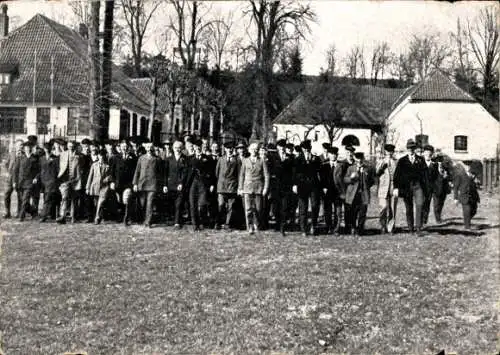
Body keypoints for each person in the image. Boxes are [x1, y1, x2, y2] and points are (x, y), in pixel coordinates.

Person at [393, 139, 427, 236]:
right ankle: (411, 227)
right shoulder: (402, 161)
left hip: (418, 186)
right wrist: (396, 188)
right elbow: (397, 175)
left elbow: (425, 174)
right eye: (409, 148)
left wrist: (426, 188)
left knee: (419, 205)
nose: (411, 150)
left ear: (415, 149)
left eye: (412, 148)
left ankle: (418, 228)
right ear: (407, 149)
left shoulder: (421, 159)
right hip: (406, 187)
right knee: (409, 207)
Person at [238, 142, 270, 234]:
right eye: (252, 149)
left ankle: (257, 224)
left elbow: (266, 175)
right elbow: (242, 175)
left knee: (258, 209)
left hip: (258, 188)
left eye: (256, 149)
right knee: (248, 209)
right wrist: (240, 188)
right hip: (247, 187)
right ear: (249, 150)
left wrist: (265, 188)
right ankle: (250, 226)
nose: (254, 151)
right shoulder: (245, 160)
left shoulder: (262, 161)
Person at [293, 140, 321, 236]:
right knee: (303, 208)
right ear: (302, 149)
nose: (306, 150)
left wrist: (311, 162)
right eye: (305, 149)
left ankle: (313, 226)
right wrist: (295, 185)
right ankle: (303, 229)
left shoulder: (316, 159)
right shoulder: (297, 159)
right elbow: (295, 173)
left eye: (308, 149)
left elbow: (319, 171)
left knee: (315, 206)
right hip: (302, 186)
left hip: (314, 186)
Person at [132, 140, 163, 228]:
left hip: (153, 185)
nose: (149, 149)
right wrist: (135, 183)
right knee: (142, 203)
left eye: (151, 148)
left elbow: (160, 173)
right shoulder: (141, 158)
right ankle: (142, 218)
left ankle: (148, 221)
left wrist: (160, 184)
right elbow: (137, 171)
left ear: (153, 148)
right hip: (142, 184)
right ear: (145, 148)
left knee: (150, 203)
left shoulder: (157, 159)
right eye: (148, 147)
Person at [186, 140, 216, 231]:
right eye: (196, 147)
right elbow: (186, 173)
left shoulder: (208, 158)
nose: (198, 148)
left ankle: (202, 222)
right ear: (194, 148)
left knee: (202, 204)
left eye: (199, 147)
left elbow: (212, 172)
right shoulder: (189, 159)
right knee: (192, 204)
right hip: (193, 183)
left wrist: (211, 184)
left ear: (202, 147)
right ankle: (195, 224)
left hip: (203, 183)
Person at [344, 152, 375, 236]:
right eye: (357, 160)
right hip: (353, 194)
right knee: (353, 212)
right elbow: (345, 180)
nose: (359, 161)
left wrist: (366, 183)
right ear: (355, 159)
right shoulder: (351, 168)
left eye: (361, 159)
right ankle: (353, 227)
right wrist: (351, 178)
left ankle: (360, 229)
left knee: (362, 212)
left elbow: (372, 180)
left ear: (363, 159)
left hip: (363, 194)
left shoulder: (368, 169)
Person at [110, 140, 138, 225]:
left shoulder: (133, 157)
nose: (124, 148)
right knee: (120, 200)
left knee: (127, 199)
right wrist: (112, 182)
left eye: (126, 147)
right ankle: (120, 216)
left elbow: (135, 171)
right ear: (120, 147)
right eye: (123, 146)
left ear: (128, 148)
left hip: (128, 183)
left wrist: (134, 183)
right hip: (118, 183)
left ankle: (126, 218)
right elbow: (112, 171)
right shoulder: (115, 157)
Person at [320, 146, 345, 235]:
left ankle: (336, 229)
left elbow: (344, 178)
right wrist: (323, 187)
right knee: (328, 211)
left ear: (337, 155)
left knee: (338, 211)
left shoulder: (341, 165)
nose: (333, 156)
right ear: (329, 155)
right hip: (327, 192)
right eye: (331, 154)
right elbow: (321, 179)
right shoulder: (324, 165)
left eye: (335, 154)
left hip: (338, 192)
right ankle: (328, 227)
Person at [56, 140, 83, 224]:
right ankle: (62, 216)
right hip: (65, 180)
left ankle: (73, 217)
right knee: (64, 198)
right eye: (69, 146)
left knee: (74, 199)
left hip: (76, 180)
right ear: (67, 146)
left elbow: (82, 168)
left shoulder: (80, 156)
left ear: (75, 146)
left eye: (72, 146)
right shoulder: (62, 154)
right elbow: (59, 166)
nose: (71, 147)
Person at [164, 140, 189, 229]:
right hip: (170, 184)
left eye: (179, 148)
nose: (177, 149)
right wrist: (165, 185)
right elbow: (165, 173)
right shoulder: (168, 159)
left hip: (180, 185)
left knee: (179, 203)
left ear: (182, 148)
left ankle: (177, 222)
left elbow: (185, 172)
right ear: (173, 148)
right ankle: (172, 219)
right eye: (175, 148)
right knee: (171, 203)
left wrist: (181, 183)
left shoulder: (185, 159)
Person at [13, 141, 40, 221]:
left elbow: (39, 170)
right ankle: (33, 212)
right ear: (24, 149)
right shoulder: (20, 158)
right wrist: (14, 182)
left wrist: (36, 178)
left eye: (29, 148)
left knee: (25, 199)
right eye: (26, 148)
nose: (27, 149)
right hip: (20, 182)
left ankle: (21, 216)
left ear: (31, 149)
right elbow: (16, 171)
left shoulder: (35, 158)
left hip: (29, 182)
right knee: (22, 199)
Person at [215, 142, 240, 230]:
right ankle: (218, 222)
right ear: (225, 149)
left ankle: (227, 223)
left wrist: (237, 186)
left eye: (231, 148)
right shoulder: (221, 159)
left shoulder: (236, 160)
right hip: (221, 186)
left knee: (231, 206)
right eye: (228, 148)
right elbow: (217, 173)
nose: (229, 150)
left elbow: (238, 174)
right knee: (221, 205)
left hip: (232, 186)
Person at [376, 144, 398, 233]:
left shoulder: (396, 162)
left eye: (391, 151)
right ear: (385, 152)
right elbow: (376, 172)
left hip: (393, 187)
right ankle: (382, 225)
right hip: (383, 187)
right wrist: (382, 164)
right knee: (383, 207)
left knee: (392, 208)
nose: (389, 153)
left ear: (393, 152)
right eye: (388, 151)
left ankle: (391, 227)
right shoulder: (381, 161)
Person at [86, 149, 112, 224]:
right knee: (96, 203)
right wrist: (88, 187)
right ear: (98, 156)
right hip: (95, 186)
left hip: (104, 187)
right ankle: (100, 216)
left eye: (102, 157)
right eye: (100, 157)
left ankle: (97, 218)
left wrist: (107, 179)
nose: (101, 158)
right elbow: (90, 177)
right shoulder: (94, 165)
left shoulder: (107, 166)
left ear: (104, 157)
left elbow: (110, 176)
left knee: (101, 202)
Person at [274, 139, 295, 236]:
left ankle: (283, 226)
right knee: (276, 207)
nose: (282, 148)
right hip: (276, 186)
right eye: (280, 146)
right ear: (277, 147)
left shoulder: (290, 157)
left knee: (285, 207)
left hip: (286, 186)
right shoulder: (273, 157)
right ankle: (277, 224)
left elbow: (293, 172)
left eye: (283, 147)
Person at [453, 162, 480, 231]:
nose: (468, 168)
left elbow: (475, 186)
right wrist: (455, 198)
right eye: (466, 166)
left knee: (474, 211)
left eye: (469, 166)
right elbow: (455, 187)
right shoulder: (460, 175)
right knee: (467, 211)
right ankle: (467, 226)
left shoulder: (473, 175)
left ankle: (467, 219)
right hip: (464, 196)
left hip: (473, 196)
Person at [39, 142, 59, 222]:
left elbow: (57, 170)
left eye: (49, 148)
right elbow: (39, 170)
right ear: (44, 149)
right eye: (46, 148)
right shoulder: (41, 158)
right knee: (47, 198)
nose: (47, 150)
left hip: (51, 181)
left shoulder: (55, 158)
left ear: (51, 149)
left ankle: (43, 216)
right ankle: (52, 214)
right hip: (43, 181)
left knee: (47, 198)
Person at [3, 139, 23, 219]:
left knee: (20, 196)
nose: (20, 147)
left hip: (19, 178)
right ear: (15, 146)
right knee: (7, 194)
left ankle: (19, 212)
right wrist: (9, 171)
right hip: (10, 178)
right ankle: (7, 212)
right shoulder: (11, 154)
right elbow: (6, 163)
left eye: (21, 145)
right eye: (18, 145)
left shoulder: (24, 155)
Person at [432, 155, 451, 223]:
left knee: (441, 203)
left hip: (444, 188)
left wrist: (447, 176)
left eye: (440, 160)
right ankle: (437, 218)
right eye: (438, 160)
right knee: (436, 204)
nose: (439, 161)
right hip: (436, 188)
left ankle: (439, 215)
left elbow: (449, 176)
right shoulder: (433, 167)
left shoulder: (446, 167)